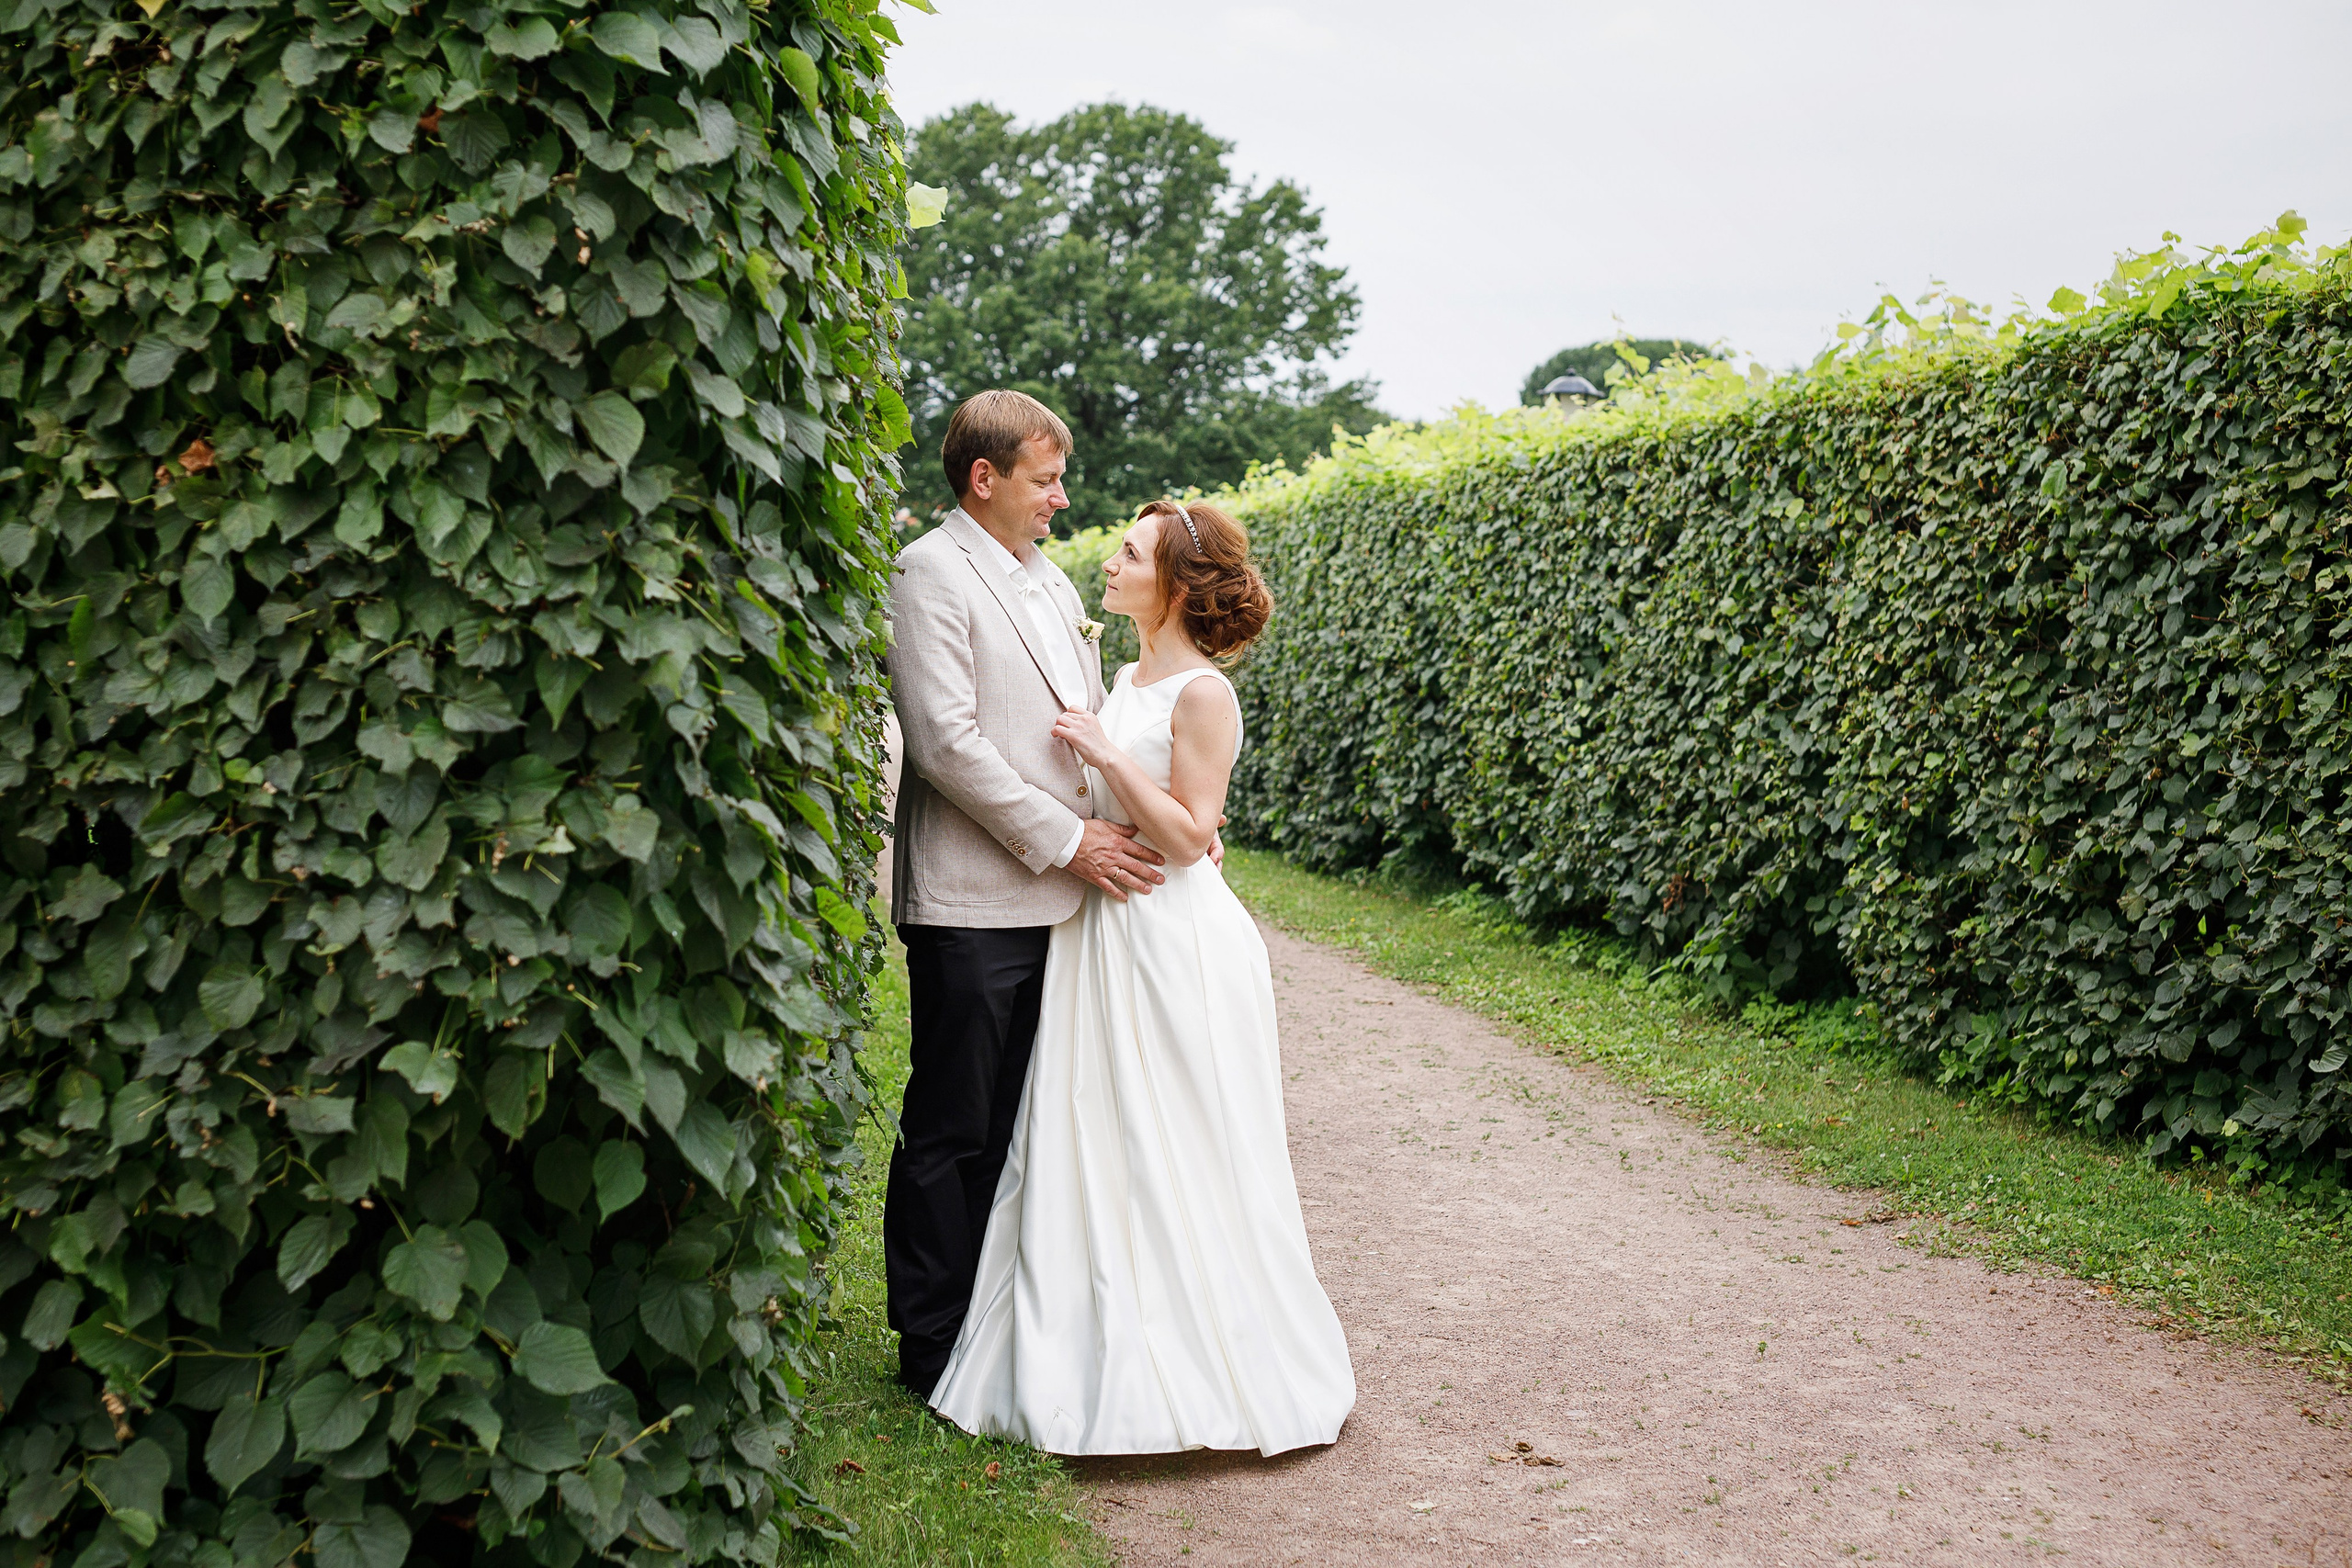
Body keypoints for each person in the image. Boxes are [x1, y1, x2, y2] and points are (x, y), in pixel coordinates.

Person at [927, 498, 1356, 1456]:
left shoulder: (1204, 694)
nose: (1109, 562)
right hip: (1103, 932)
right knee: (1096, 1133)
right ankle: (1087, 1342)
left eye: (1128, 553)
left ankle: (1214, 1363)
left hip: (1174, 942)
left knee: (1184, 1141)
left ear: (1175, 585)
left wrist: (1108, 754)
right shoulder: (1117, 671)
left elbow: (1194, 835)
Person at [883, 390, 1170, 1399]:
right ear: (985, 478)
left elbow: (1082, 721)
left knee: (1020, 1124)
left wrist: (1146, 819)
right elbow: (945, 741)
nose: (1060, 497)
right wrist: (1066, 842)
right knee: (952, 1127)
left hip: (1061, 906)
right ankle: (928, 1347)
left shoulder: (1047, 581)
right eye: (1046, 479)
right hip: (969, 900)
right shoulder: (930, 571)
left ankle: (991, 1328)